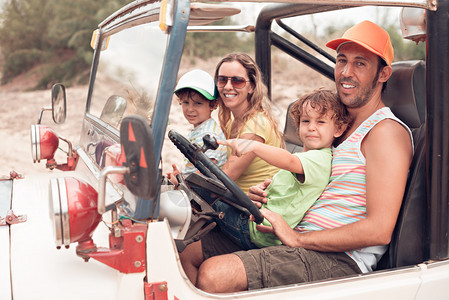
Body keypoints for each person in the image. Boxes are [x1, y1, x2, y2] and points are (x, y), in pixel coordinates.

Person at [180, 20, 414, 292]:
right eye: (341, 61)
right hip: (289, 235)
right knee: (188, 249)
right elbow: (310, 179)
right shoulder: (336, 124)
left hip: (340, 258)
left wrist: (299, 239)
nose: (346, 72)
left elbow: (379, 229)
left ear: (383, 74)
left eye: (360, 63)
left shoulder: (385, 132)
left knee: (214, 275)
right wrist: (273, 192)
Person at [214, 89, 351, 250]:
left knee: (204, 198)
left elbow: (288, 160)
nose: (312, 127)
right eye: (306, 121)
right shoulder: (308, 158)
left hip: (256, 230)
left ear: (338, 129)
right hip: (255, 219)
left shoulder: (320, 159)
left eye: (321, 122)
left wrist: (253, 146)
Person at [214, 52, 283, 194]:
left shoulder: (255, 126)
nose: (227, 86)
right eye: (222, 80)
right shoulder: (230, 121)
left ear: (251, 87)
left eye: (237, 81)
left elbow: (222, 181)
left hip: (254, 209)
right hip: (236, 201)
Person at [166, 69, 227, 185]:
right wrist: (179, 175)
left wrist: (181, 182)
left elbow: (209, 170)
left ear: (212, 104)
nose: (190, 109)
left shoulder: (209, 134)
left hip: (207, 196)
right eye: (186, 102)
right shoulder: (200, 128)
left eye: (198, 103)